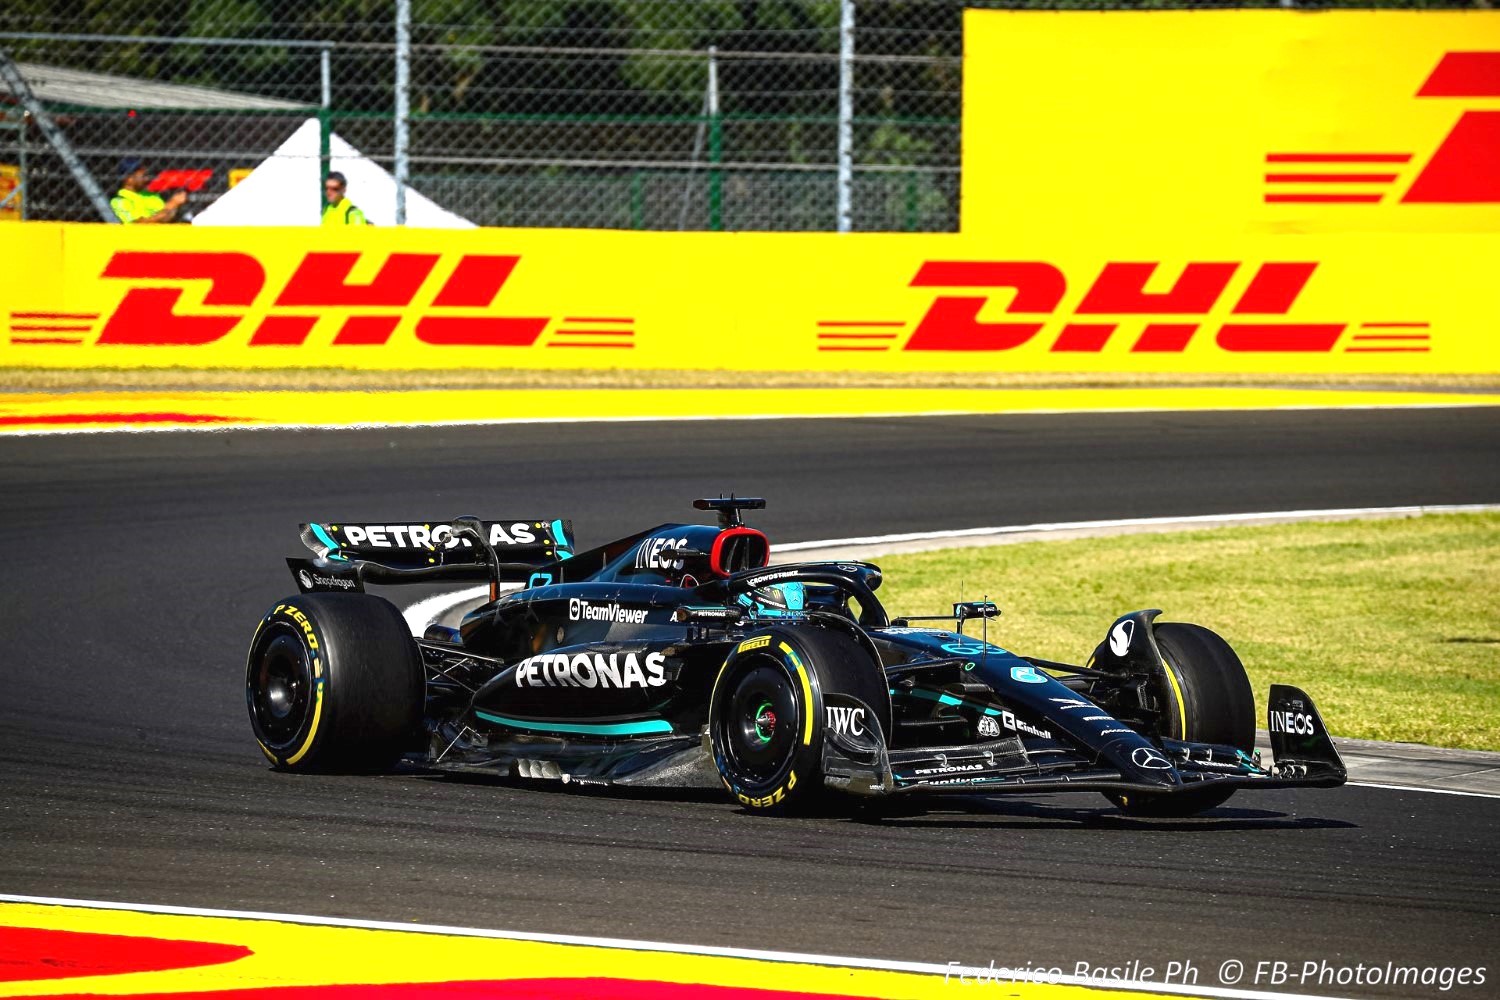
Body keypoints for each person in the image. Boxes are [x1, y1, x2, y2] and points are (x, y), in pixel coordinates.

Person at [110, 158, 186, 224]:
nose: (147, 179)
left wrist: (175, 205)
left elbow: (165, 218)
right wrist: (172, 204)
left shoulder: (151, 195)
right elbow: (137, 225)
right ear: (129, 178)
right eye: (143, 176)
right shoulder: (119, 201)